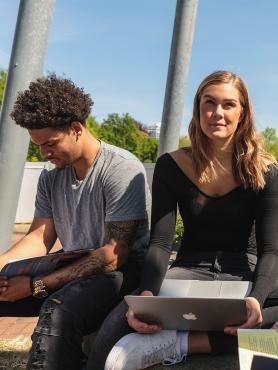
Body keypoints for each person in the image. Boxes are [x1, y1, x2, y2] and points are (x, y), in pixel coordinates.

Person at [85, 70, 278, 370]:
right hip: (189, 269)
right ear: (198, 107)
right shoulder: (171, 165)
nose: (217, 113)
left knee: (269, 332)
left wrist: (255, 299)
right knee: (114, 328)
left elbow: (272, 250)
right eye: (209, 102)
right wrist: (148, 295)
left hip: (245, 270)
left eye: (228, 104)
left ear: (243, 112)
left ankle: (182, 343)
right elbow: (161, 243)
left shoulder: (265, 170)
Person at [0, 75, 151, 370]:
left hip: (120, 274)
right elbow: (40, 237)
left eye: (50, 143)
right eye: (39, 145)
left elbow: (113, 255)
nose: (44, 153)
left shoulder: (120, 168)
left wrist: (34, 285)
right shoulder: (50, 175)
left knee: (58, 312)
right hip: (72, 264)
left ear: (76, 129)